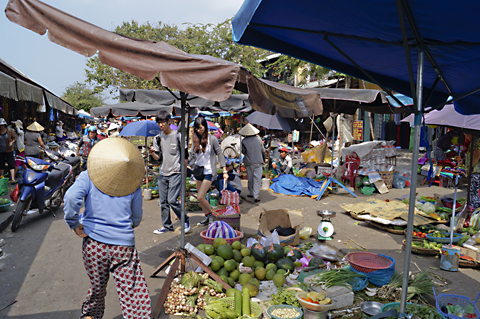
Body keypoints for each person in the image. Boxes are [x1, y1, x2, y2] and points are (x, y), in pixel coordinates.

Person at [64, 137, 151, 319]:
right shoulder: (133, 185)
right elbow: (136, 217)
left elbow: (71, 198)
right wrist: (128, 226)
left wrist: (74, 224)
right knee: (132, 294)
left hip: (94, 245)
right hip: (123, 247)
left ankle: (90, 315)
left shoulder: (89, 176)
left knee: (97, 288)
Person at [149, 110, 190, 234]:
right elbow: (159, 159)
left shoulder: (178, 136)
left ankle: (185, 220)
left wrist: (184, 172)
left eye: (163, 122)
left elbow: (185, 155)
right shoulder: (158, 138)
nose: (161, 125)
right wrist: (152, 153)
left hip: (176, 172)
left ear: (168, 121)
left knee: (172, 200)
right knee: (163, 202)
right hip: (163, 173)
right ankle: (167, 226)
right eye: (159, 123)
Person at [189, 116, 228, 226]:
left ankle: (214, 214)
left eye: (200, 127)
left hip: (209, 172)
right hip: (198, 171)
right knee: (200, 199)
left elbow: (220, 153)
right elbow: (192, 155)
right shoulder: (195, 139)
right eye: (197, 128)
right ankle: (208, 216)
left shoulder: (212, 139)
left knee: (201, 196)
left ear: (205, 127)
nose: (198, 130)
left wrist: (224, 171)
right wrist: (187, 163)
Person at [240, 123, 266, 203]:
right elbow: (263, 150)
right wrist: (264, 158)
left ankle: (251, 193)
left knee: (250, 179)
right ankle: (256, 196)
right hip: (258, 161)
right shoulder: (258, 138)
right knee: (257, 179)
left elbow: (243, 152)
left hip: (249, 162)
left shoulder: (244, 141)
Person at [465, 133, 480, 209]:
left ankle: (473, 211)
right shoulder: (476, 141)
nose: (466, 137)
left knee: (473, 193)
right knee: (474, 193)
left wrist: (469, 168)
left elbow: (477, 155)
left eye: (466, 135)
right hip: (476, 172)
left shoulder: (476, 141)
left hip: (475, 172)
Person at [0, 118, 17, 183]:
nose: (1, 126)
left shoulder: (9, 130)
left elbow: (15, 138)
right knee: (1, 164)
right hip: (1, 151)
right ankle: (1, 178)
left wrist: (11, 142)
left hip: (9, 150)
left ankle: (12, 178)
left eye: (2, 125)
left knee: (11, 164)